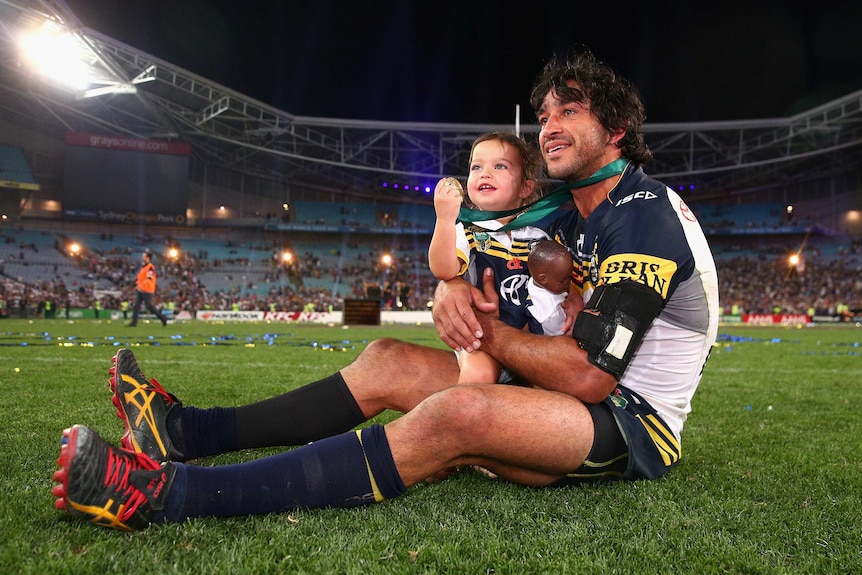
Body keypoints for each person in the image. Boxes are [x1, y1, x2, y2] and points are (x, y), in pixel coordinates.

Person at [51, 47, 719, 532]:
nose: (548, 125)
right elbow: (475, 273)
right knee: (387, 360)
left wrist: (487, 332)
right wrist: (449, 293)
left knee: (459, 415)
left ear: (617, 131)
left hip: (629, 423)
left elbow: (589, 375)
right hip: (557, 388)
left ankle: (167, 494)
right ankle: (182, 430)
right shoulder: (577, 212)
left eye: (570, 111)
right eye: (544, 113)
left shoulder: (642, 216)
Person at [428, 131, 551, 384]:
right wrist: (444, 220)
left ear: (526, 187)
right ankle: (463, 419)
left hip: (530, 339)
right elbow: (443, 270)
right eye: (477, 166)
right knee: (479, 376)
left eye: (500, 166)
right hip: (481, 337)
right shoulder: (467, 231)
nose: (485, 173)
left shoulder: (538, 237)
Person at [525, 238, 574, 336]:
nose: (568, 282)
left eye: (569, 276)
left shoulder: (535, 281)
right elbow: (564, 335)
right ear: (543, 279)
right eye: (562, 280)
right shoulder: (552, 314)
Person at [128, 249, 168, 327]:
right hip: (141, 289)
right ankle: (134, 322)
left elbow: (148, 278)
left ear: (148, 258)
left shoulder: (150, 267)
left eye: (144, 256)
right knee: (136, 306)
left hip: (147, 290)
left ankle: (162, 318)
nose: (142, 257)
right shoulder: (143, 267)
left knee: (149, 306)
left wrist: (140, 285)